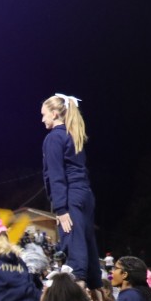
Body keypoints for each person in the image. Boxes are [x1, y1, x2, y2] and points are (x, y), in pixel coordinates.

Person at [40, 94, 100, 289]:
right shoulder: (73, 135)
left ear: (55, 113)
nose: (42, 119)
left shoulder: (54, 138)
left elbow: (56, 175)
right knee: (87, 245)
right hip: (85, 194)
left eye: (44, 114)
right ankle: (97, 293)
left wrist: (60, 208)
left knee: (75, 255)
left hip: (70, 196)